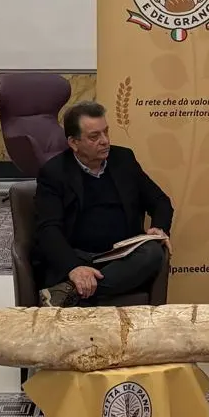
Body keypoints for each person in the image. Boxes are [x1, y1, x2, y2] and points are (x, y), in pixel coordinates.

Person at [34, 101, 172, 306]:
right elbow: (48, 228)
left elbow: (160, 201)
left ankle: (70, 292)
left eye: (106, 132)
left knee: (152, 252)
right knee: (61, 260)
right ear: (73, 142)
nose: (105, 141)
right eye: (94, 137)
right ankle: (83, 286)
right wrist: (74, 268)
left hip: (120, 257)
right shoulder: (54, 172)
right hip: (78, 255)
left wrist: (159, 228)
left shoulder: (124, 159)